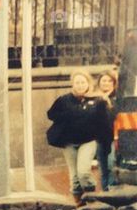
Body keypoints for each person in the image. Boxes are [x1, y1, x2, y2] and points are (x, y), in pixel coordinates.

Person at [46, 71, 110, 201]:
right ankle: (79, 204)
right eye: (77, 83)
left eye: (83, 82)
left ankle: (91, 198)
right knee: (74, 177)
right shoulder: (64, 100)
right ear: (72, 84)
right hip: (69, 142)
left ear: (88, 84)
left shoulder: (97, 101)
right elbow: (51, 114)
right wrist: (69, 114)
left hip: (88, 141)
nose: (80, 85)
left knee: (83, 173)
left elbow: (103, 122)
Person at [96, 71, 118, 190]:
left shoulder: (116, 98)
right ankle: (106, 193)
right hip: (100, 139)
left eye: (110, 81)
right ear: (99, 83)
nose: (107, 83)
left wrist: (107, 102)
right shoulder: (94, 98)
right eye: (104, 80)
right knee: (103, 169)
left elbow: (115, 116)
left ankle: (112, 192)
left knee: (111, 164)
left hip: (113, 138)